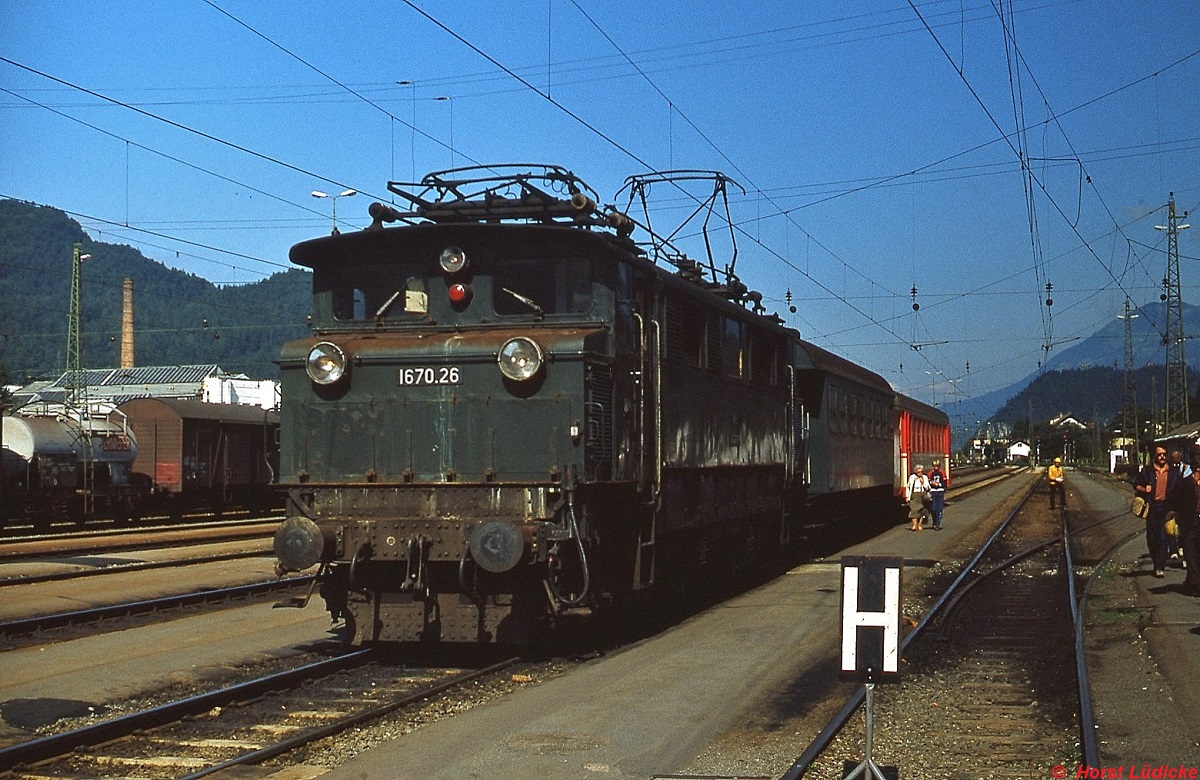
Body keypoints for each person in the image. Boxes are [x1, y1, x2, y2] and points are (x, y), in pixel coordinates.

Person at [1133, 446, 1184, 578]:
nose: (1162, 457)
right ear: (1155, 456)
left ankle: (1159, 566)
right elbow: (1136, 485)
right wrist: (1145, 490)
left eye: (1164, 454)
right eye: (1159, 454)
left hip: (1166, 508)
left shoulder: (1173, 472)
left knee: (1162, 537)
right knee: (1151, 537)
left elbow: (1179, 490)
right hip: (1152, 507)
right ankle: (1156, 560)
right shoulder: (1148, 471)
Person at [905, 464, 931, 531]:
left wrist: (923, 483)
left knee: (921, 511)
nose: (920, 473)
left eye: (921, 472)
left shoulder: (924, 477)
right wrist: (907, 496)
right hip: (913, 496)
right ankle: (914, 525)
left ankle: (919, 525)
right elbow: (908, 487)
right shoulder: (912, 477)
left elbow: (928, 488)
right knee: (914, 511)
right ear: (916, 472)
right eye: (918, 472)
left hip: (921, 495)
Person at [926, 459, 949, 531]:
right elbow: (928, 482)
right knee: (933, 508)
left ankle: (937, 524)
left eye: (937, 466)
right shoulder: (930, 473)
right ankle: (934, 521)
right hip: (933, 492)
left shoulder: (942, 473)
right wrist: (931, 484)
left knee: (939, 508)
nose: (936, 467)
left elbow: (944, 483)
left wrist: (939, 485)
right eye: (934, 466)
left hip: (940, 492)